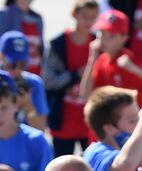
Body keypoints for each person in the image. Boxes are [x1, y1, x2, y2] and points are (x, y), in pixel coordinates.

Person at [43, 0, 100, 157]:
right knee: (62, 166)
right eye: (84, 16)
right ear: (74, 14)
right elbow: (48, 80)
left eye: (93, 17)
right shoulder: (58, 44)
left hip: (91, 121)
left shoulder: (98, 43)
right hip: (64, 121)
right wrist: (76, 74)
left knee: (93, 170)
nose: (89, 21)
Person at [80, 8, 142, 109]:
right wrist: (92, 59)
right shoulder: (101, 60)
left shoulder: (128, 58)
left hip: (135, 121)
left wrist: (133, 68)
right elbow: (85, 96)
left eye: (111, 36)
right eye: (102, 33)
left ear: (124, 38)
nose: (104, 40)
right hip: (113, 121)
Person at [0, 0, 45, 75]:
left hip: (36, 71)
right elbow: (0, 47)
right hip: (13, 72)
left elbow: (41, 46)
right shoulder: (5, 13)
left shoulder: (38, 17)